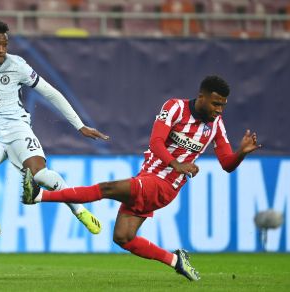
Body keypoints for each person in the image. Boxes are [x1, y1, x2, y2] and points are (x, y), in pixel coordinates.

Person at [22, 75, 261, 280]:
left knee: (107, 188)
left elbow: (227, 164)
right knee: (123, 238)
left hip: (164, 186)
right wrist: (176, 163)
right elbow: (155, 142)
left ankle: (39, 196)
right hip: (148, 176)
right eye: (216, 104)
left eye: (223, 106)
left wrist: (240, 153)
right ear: (202, 96)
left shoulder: (216, 126)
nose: (219, 110)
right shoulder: (175, 108)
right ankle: (175, 260)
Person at [0, 18, 109, 238]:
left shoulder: (17, 66)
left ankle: (81, 211)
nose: (1, 49)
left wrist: (79, 125)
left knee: (39, 176)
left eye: (5, 44)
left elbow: (51, 93)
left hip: (18, 129)